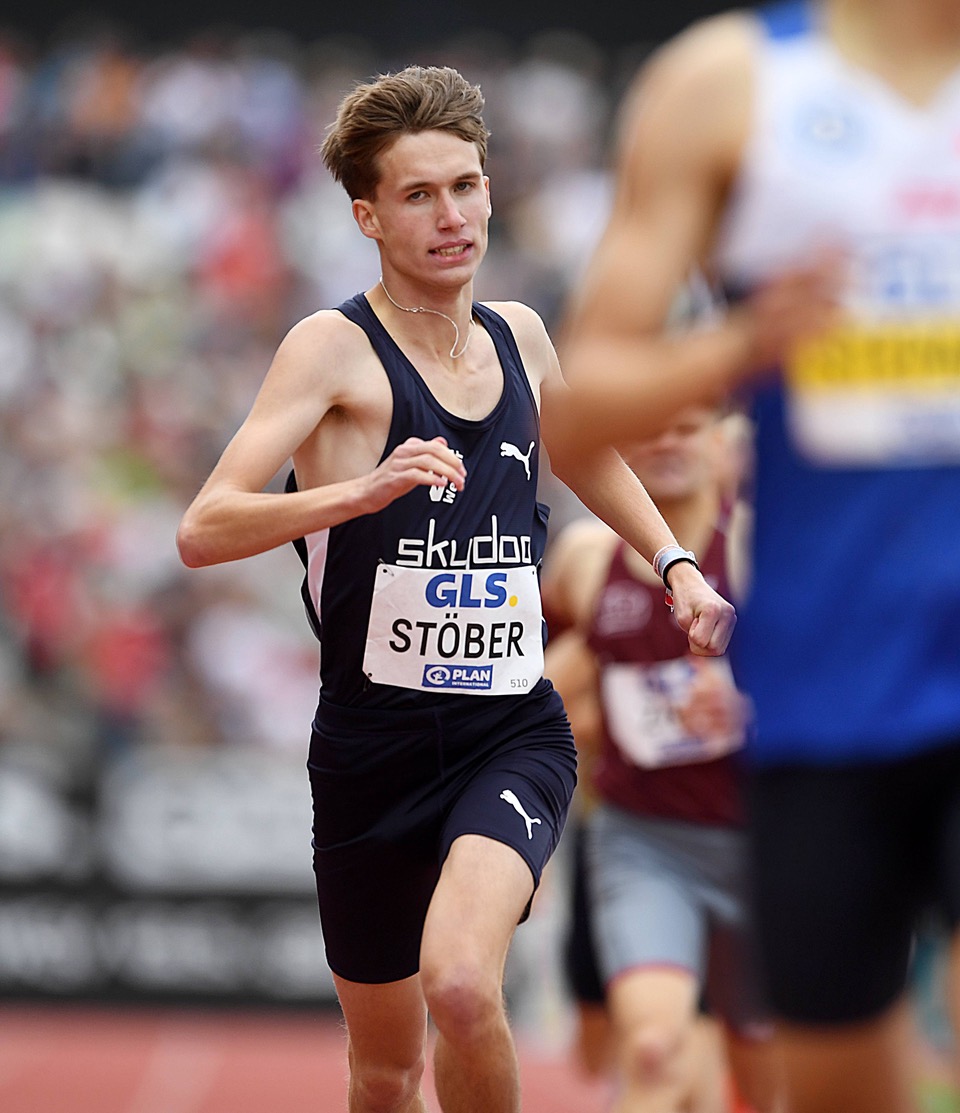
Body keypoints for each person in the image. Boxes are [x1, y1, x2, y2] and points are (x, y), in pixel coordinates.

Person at [176, 65, 737, 1113]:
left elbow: (583, 452)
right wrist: (357, 491)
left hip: (508, 730)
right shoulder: (332, 348)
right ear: (368, 216)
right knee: (386, 1069)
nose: (452, 216)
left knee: (466, 985)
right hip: (368, 748)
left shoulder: (520, 335)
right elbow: (204, 528)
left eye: (467, 187)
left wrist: (676, 564)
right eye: (419, 195)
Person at [543, 3, 960, 1113]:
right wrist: (744, 342)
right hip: (827, 693)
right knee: (828, 1083)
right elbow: (578, 412)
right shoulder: (726, 84)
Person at [543, 404, 779, 1113]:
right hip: (645, 839)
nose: (667, 442)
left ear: (718, 440)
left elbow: (841, 676)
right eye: (649, 427)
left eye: (686, 427)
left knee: (766, 1068)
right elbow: (538, 673)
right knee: (651, 1046)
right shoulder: (587, 558)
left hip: (764, 840)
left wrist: (748, 705)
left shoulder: (760, 544)